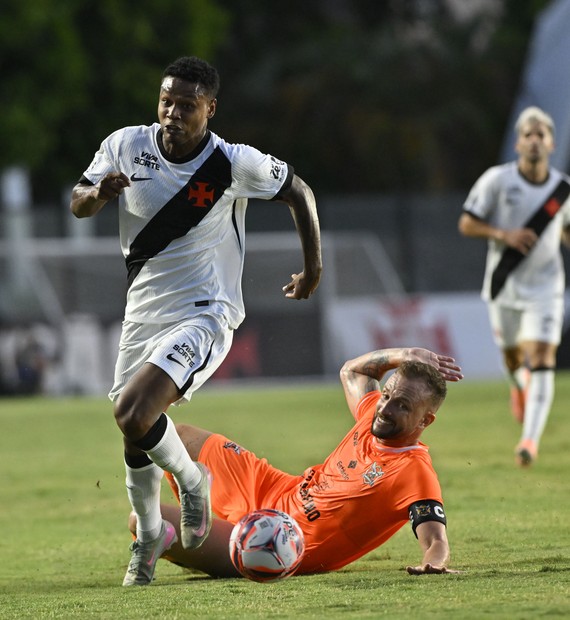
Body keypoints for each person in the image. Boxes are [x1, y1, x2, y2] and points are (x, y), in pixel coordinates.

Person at [70, 56, 322, 586]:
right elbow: (78, 202)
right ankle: (148, 537)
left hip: (205, 312)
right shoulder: (125, 145)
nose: (173, 113)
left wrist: (313, 268)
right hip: (143, 312)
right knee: (134, 430)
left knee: (135, 411)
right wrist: (98, 194)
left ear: (210, 109)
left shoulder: (232, 163)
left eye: (187, 105)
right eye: (167, 101)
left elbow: (300, 191)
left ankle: (192, 481)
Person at [127, 347, 464, 580]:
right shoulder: (372, 414)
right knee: (178, 437)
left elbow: (435, 539)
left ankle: (202, 548)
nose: (385, 409)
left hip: (282, 541)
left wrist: (434, 563)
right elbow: (354, 370)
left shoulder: (413, 470)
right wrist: (405, 354)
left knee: (143, 521)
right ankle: (200, 532)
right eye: (387, 395)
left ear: (426, 420)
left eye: (402, 406)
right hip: (275, 488)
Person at [458, 106, 570, 467]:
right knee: (512, 359)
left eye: (541, 135)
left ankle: (529, 442)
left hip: (547, 289)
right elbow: (467, 223)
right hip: (503, 283)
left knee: (542, 357)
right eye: (528, 135)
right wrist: (503, 234)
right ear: (518, 143)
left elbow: (566, 230)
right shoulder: (496, 180)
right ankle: (518, 387)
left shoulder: (563, 190)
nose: (534, 140)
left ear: (551, 144)